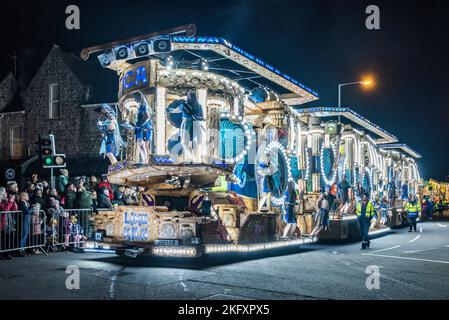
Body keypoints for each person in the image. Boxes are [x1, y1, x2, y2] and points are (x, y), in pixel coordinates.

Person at [0, 187, 17, 259]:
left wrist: (13, 200)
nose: (6, 194)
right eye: (5, 193)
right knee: (1, 239)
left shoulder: (5, 201)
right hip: (1, 222)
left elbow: (14, 209)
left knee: (6, 238)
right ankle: (2, 254)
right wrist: (10, 201)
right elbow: (5, 209)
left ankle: (7, 253)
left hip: (6, 222)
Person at [18, 192, 33, 256]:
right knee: (23, 236)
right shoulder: (21, 203)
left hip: (26, 221)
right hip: (23, 221)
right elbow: (27, 212)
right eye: (26, 195)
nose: (28, 196)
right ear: (22, 197)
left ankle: (24, 250)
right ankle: (20, 251)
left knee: (25, 236)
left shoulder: (25, 203)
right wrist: (32, 208)